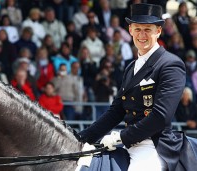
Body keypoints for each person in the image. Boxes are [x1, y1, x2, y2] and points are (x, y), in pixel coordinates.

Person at [78, 4, 187, 171]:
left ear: (158, 31)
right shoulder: (131, 68)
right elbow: (116, 111)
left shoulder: (170, 65)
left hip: (153, 144)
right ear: (130, 30)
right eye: (137, 29)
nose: (141, 35)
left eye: (147, 29)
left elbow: (160, 116)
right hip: (128, 142)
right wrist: (81, 138)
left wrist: (121, 137)